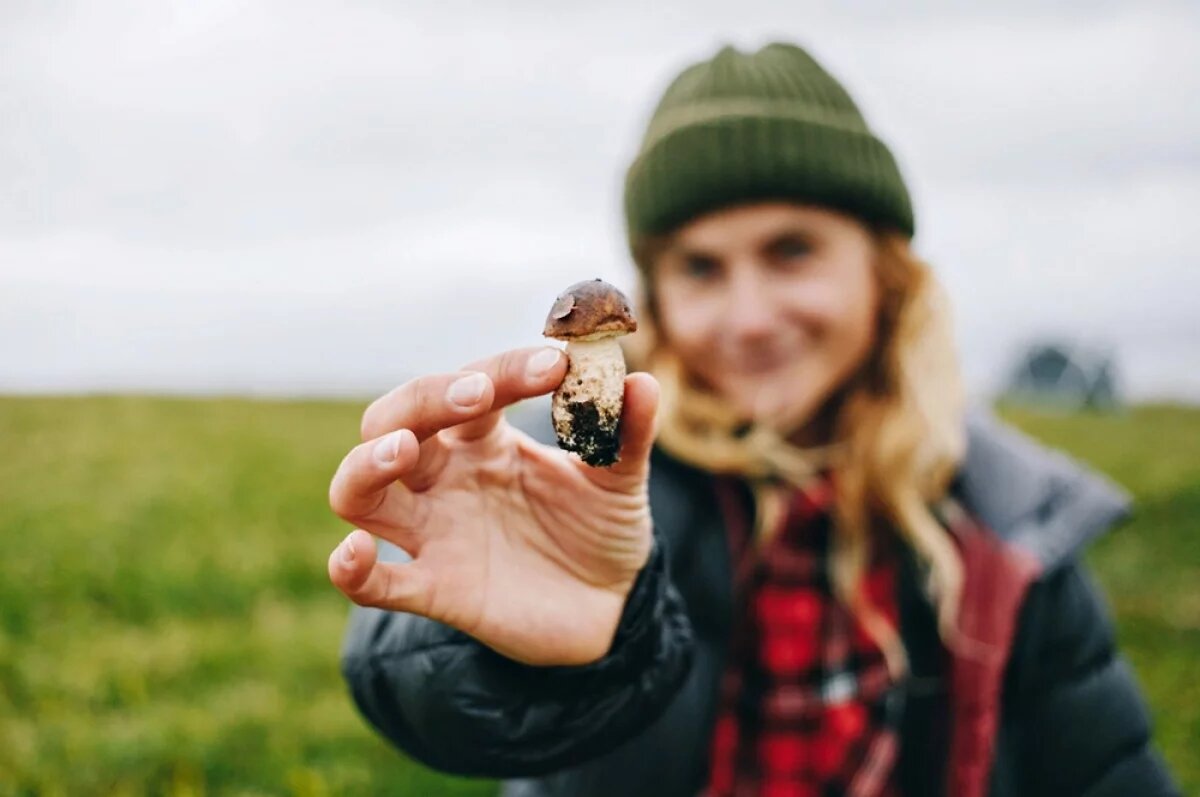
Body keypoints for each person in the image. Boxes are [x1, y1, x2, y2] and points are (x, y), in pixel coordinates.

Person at [326, 43, 1179, 797]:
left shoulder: (1011, 525)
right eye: (702, 267)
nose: (750, 316)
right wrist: (536, 649)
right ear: (656, 297)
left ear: (884, 271)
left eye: (792, 250)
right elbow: (420, 680)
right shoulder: (582, 477)